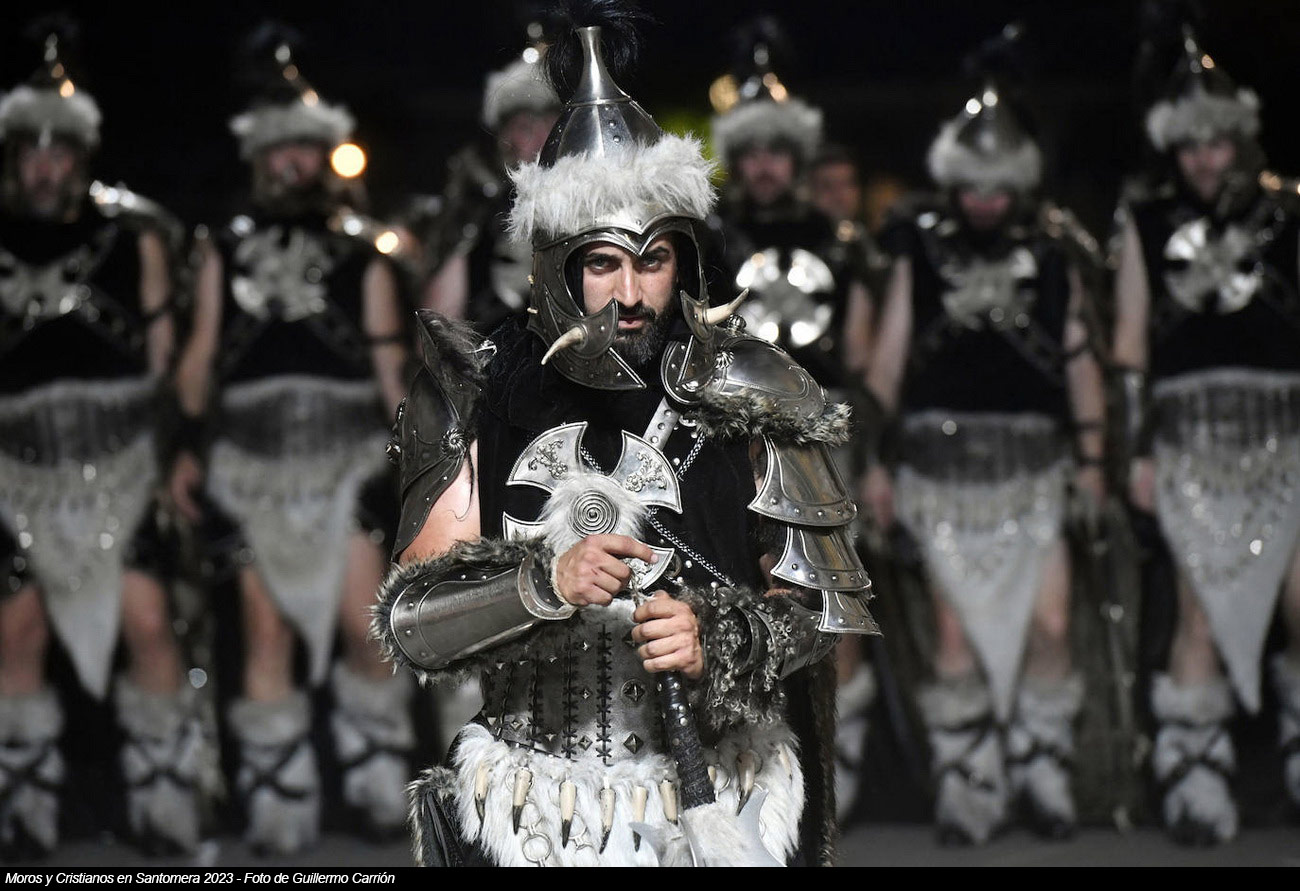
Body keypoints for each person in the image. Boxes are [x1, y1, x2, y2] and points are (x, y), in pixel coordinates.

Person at [374, 8, 877, 866]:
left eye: (654, 259)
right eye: (604, 262)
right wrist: (543, 580)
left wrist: (719, 637)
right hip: (532, 804)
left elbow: (821, 614)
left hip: (722, 795)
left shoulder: (755, 387)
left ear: (684, 256)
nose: (632, 293)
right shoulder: (473, 387)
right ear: (556, 262)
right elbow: (411, 618)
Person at [168, 30, 410, 853]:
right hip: (247, 468)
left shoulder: (362, 255)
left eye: (305, 148)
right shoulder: (223, 249)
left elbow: (389, 370)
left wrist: (420, 465)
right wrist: (182, 445)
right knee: (263, 631)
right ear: (258, 158)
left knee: (367, 626)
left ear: (323, 155)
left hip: (349, 462)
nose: (292, 163)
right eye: (279, 150)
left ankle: (378, 789)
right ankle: (277, 810)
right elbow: (200, 358)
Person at [863, 65, 1107, 843]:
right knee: (954, 631)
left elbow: (1080, 361)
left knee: (1052, 622)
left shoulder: (1056, 250)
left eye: (999, 189)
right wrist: (872, 461)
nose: (985, 202)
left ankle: (1043, 769)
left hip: (1037, 470)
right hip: (936, 474)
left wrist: (1094, 462)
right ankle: (969, 782)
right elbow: (887, 361)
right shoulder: (918, 245)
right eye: (972, 186)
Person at [0, 27, 202, 857]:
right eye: (32, 153)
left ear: (82, 156)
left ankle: (166, 802)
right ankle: (25, 811)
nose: (46, 167)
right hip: (15, 471)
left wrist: (177, 450)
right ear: (15, 158)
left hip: (123, 465)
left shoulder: (135, 237)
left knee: (149, 623)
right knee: (17, 634)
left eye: (61, 152)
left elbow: (163, 366)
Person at [1113, 25, 1300, 845]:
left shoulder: (1290, 212)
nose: (1203, 159)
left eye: (1216, 142)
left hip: (1285, 435)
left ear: (1240, 137)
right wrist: (1137, 451)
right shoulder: (1147, 219)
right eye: (1189, 145)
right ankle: (1195, 779)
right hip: (1189, 443)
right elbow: (1129, 346)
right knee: (1198, 608)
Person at [708, 19, 876, 387]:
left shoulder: (837, 238)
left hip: (825, 400)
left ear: (797, 160)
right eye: (751, 153)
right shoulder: (709, 238)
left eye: (777, 151)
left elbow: (859, 352)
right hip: (730, 398)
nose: (764, 166)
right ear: (735, 162)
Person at [420, 32, 561, 334]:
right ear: (505, 139)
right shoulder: (476, 212)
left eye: (551, 124)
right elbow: (440, 325)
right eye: (525, 128)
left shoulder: (596, 205)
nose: (541, 140)